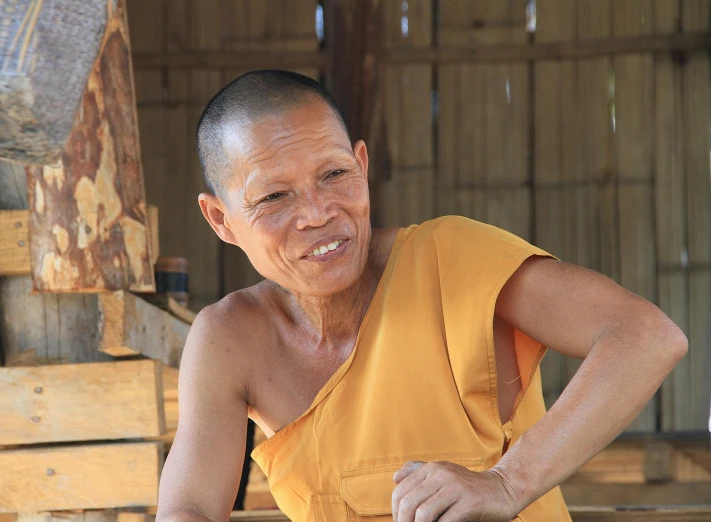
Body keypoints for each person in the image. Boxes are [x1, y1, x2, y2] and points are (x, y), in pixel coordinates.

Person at [156, 70, 687, 522]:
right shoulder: (231, 339)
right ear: (221, 219)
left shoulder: (448, 260)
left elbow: (646, 336)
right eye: (274, 196)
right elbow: (189, 509)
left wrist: (507, 483)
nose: (318, 213)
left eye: (335, 174)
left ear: (361, 166)